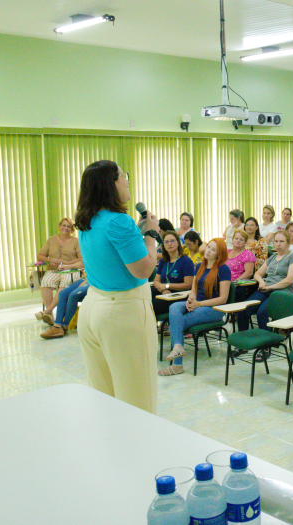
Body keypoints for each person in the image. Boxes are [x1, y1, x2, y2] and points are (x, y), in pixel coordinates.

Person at [74, 160, 161, 413]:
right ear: (111, 184)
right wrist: (151, 235)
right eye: (124, 176)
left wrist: (138, 232)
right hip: (122, 311)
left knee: (104, 393)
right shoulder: (119, 221)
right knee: (137, 398)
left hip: (93, 308)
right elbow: (144, 270)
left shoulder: (88, 219)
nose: (127, 181)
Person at [162, 238, 231, 376]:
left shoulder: (224, 269)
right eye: (208, 247)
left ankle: (177, 365)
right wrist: (191, 299)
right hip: (198, 303)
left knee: (177, 322)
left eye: (213, 250)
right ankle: (178, 347)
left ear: (219, 254)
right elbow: (193, 290)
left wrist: (199, 304)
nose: (208, 251)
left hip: (214, 309)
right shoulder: (199, 266)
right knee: (174, 307)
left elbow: (223, 299)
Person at [237, 230, 293, 331]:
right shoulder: (272, 257)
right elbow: (257, 274)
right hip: (266, 288)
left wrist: (270, 287)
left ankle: (267, 343)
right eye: (276, 241)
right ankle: (243, 341)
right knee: (243, 310)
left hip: (283, 292)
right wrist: (262, 282)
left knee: (262, 313)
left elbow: (289, 280)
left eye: (281, 241)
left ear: (288, 243)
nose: (278, 244)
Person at [35, 217, 84, 324]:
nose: (66, 228)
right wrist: (50, 260)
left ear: (72, 229)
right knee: (46, 282)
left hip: (71, 270)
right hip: (54, 270)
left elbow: (81, 259)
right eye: (64, 225)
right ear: (59, 226)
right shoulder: (51, 240)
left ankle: (49, 312)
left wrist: (66, 264)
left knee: (65, 283)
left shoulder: (76, 241)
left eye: (69, 226)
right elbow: (40, 256)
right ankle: (50, 316)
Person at [151, 231, 196, 317]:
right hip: (165, 292)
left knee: (152, 304)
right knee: (147, 296)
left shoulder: (186, 261)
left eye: (172, 241)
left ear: (178, 243)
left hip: (179, 295)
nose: (169, 244)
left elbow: (188, 285)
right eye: (166, 242)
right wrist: (163, 289)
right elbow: (156, 280)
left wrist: (168, 286)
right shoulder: (164, 260)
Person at [39, 273, 90, 339]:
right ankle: (57, 325)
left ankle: (64, 326)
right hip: (87, 279)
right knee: (62, 293)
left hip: (97, 281)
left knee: (73, 295)